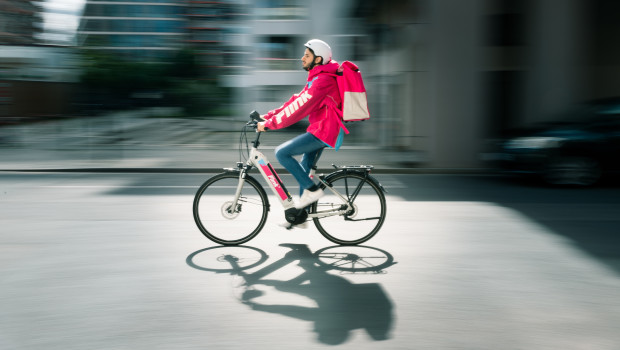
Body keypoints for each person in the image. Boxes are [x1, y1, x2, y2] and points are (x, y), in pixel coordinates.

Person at [257, 39, 347, 219]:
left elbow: (298, 108)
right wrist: (268, 116)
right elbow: (296, 100)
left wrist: (270, 124)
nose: (302, 58)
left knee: (282, 153)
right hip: (319, 130)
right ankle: (301, 216)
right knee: (304, 169)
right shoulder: (317, 77)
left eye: (307, 55)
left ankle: (313, 191)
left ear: (318, 58)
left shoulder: (323, 81)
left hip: (323, 132)